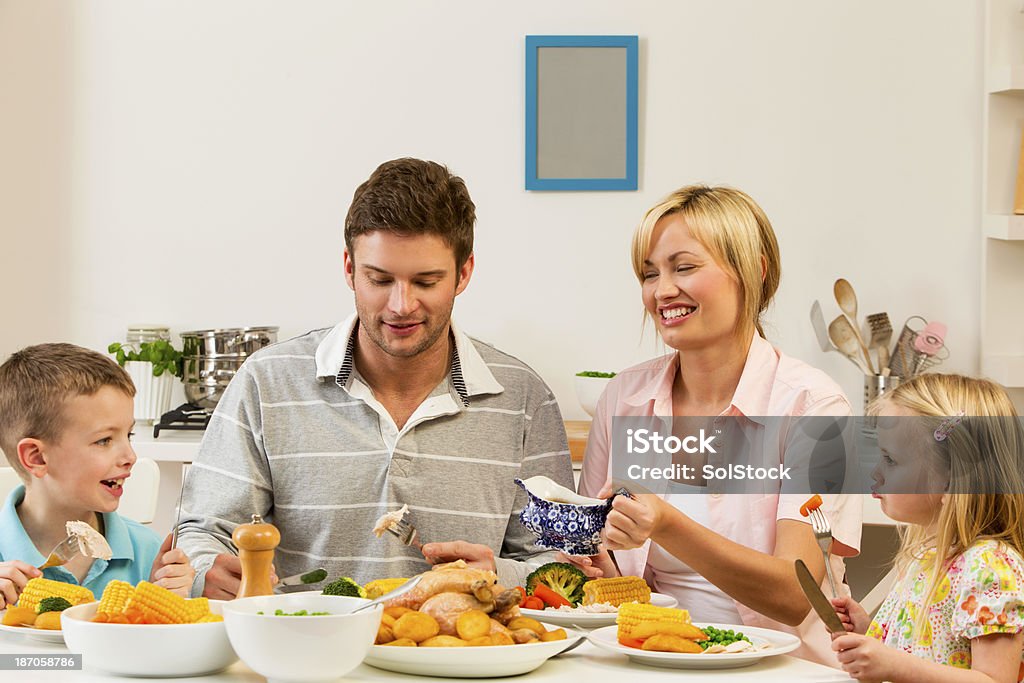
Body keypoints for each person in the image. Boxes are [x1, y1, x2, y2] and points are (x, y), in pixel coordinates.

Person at [177, 157, 573, 599]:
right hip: (308, 654)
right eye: (379, 279)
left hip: (463, 660)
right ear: (349, 268)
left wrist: (503, 573)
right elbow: (203, 530)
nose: (401, 304)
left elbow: (562, 561)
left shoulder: (524, 398)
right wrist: (208, 569)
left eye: (426, 281)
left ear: (463, 273)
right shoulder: (266, 382)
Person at [569, 184, 862, 665]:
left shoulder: (815, 407)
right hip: (650, 660)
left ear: (755, 269)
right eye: (649, 273)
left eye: (684, 267)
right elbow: (610, 567)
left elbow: (797, 595)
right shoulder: (624, 398)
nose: (662, 291)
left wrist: (665, 522)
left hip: (783, 668)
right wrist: (599, 571)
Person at [830, 374, 1024, 683]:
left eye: (890, 460)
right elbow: (926, 653)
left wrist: (893, 665)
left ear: (950, 478)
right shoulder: (927, 555)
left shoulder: (991, 567)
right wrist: (870, 633)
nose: (876, 473)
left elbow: (995, 679)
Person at [0, 343, 195, 607]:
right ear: (37, 457)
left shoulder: (149, 552)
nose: (130, 457)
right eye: (104, 440)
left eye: (129, 435)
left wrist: (160, 609)